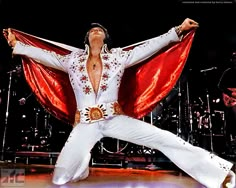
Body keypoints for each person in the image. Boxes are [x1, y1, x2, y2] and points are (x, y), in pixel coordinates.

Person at [3, 18, 235, 188]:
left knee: (164, 138)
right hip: (85, 124)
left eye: (99, 29)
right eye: (92, 29)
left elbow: (150, 46)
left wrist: (177, 30)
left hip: (114, 118)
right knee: (60, 178)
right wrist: (17, 44)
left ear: (105, 37)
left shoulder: (118, 57)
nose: (95, 31)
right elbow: (44, 54)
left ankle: (220, 174)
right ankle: (82, 162)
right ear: (86, 38)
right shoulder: (71, 60)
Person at [218, 51, 236, 155]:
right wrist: (231, 93)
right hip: (230, 101)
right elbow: (220, 86)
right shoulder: (228, 72)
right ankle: (229, 145)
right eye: (234, 59)